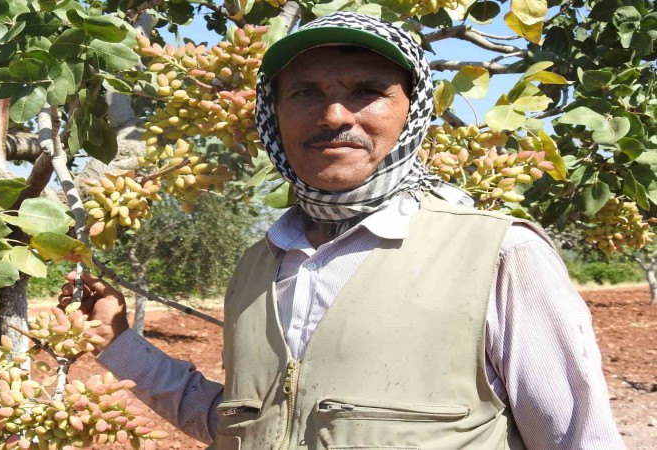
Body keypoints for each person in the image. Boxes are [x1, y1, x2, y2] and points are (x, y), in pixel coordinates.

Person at [59, 12, 624, 449]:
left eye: (366, 90)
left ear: (412, 113)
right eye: (305, 93)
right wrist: (119, 344)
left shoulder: (500, 254)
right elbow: (243, 427)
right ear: (272, 115)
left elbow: (579, 436)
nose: (333, 116)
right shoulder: (260, 265)